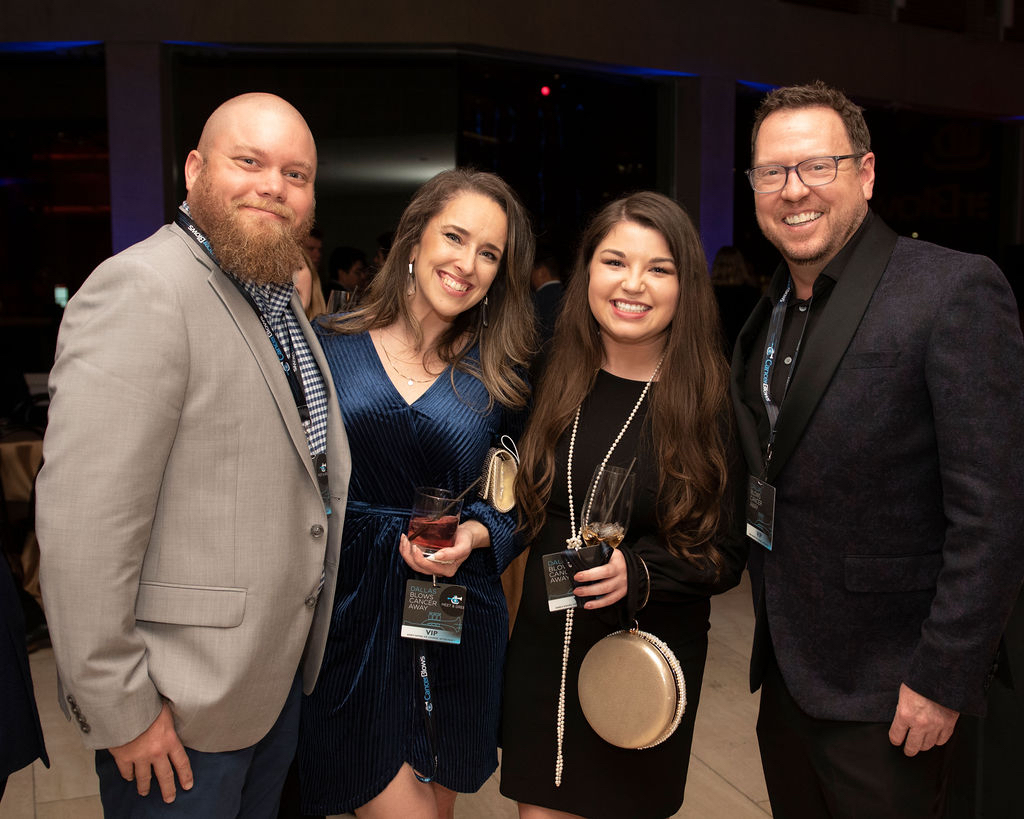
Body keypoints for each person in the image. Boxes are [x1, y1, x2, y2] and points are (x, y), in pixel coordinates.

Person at [35, 92, 351, 817]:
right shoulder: (143, 289)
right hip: (176, 713)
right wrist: (123, 711)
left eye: (296, 174)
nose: (274, 185)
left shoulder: (279, 304)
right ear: (194, 169)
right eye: (249, 161)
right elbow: (84, 528)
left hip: (266, 694)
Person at [731, 80, 1024, 818]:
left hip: (895, 694)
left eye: (816, 166)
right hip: (791, 680)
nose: (793, 190)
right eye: (772, 172)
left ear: (865, 173)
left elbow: (994, 513)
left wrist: (943, 679)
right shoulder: (769, 310)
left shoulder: (951, 289)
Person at [500, 192, 747, 819]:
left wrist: (637, 572)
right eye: (614, 261)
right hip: (544, 650)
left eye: (659, 268)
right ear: (588, 273)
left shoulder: (708, 402)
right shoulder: (550, 373)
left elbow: (725, 554)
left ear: (685, 285)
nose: (632, 283)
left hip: (640, 664)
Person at [298, 168, 536, 819]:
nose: (468, 263)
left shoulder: (501, 370)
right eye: (455, 237)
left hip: (449, 611)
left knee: (435, 796)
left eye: (489, 252)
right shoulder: (331, 345)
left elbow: (523, 495)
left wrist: (477, 533)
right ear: (414, 239)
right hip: (349, 610)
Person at [710, 245, 759, 354]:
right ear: (740, 265)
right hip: (743, 353)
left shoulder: (708, 293)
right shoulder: (751, 293)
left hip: (714, 352)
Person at [530, 247, 565, 344]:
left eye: (532, 273)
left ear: (541, 272)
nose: (530, 278)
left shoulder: (534, 302)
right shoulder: (572, 297)